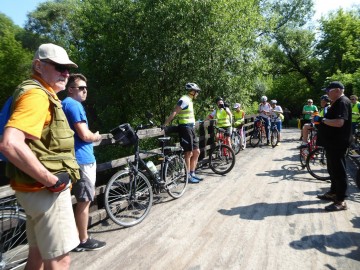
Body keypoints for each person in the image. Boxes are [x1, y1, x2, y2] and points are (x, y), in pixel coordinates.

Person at [0, 43, 80, 269]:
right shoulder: (37, 95)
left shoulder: (36, 91)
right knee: (60, 259)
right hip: (45, 192)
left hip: (32, 192)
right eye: (58, 67)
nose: (65, 73)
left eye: (68, 69)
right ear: (38, 65)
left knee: (37, 256)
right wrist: (51, 181)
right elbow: (10, 144)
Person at [62, 74, 106, 252]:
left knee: (79, 199)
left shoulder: (64, 104)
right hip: (82, 159)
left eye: (86, 88)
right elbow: (85, 135)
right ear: (70, 89)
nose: (85, 90)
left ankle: (75, 237)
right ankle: (82, 239)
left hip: (73, 158)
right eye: (81, 88)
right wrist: (96, 136)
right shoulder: (74, 105)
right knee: (85, 200)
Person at [314, 81, 352, 211]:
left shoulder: (342, 102)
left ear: (337, 90)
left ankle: (341, 201)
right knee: (332, 169)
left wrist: (323, 120)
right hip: (332, 143)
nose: (326, 94)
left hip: (338, 143)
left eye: (328, 91)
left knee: (339, 171)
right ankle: (333, 192)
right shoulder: (337, 102)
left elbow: (339, 123)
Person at [163, 83, 203, 184]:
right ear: (193, 92)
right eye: (197, 92)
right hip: (185, 128)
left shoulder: (189, 100)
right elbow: (175, 112)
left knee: (197, 151)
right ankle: (187, 176)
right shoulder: (184, 99)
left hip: (191, 128)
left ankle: (192, 173)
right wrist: (165, 124)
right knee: (188, 153)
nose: (197, 94)